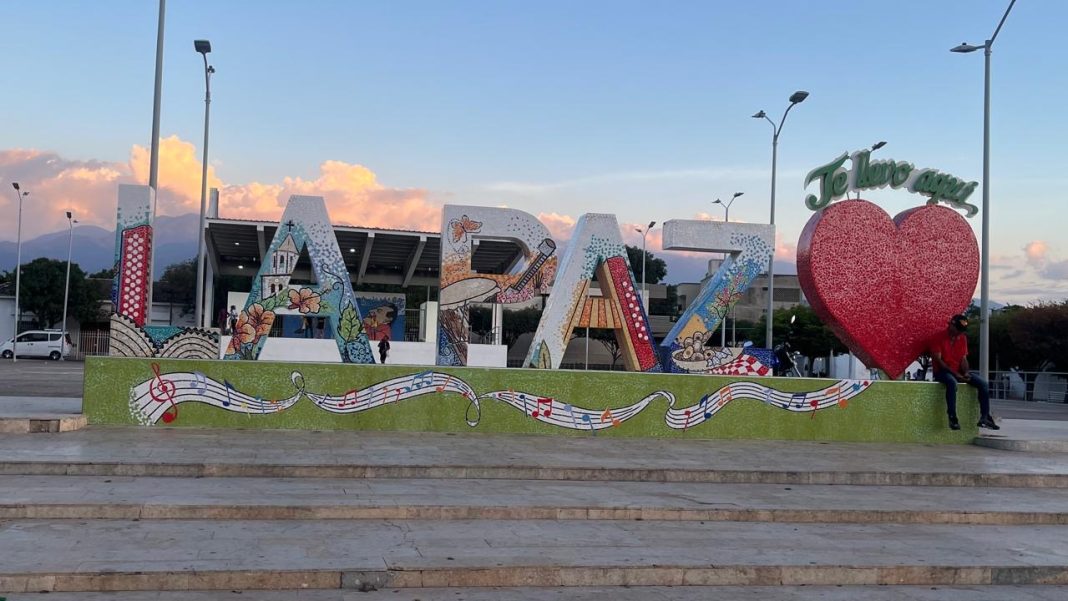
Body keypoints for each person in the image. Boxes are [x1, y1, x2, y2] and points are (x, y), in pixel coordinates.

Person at [929, 313, 999, 431]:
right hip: (943, 372)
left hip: (959, 371)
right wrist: (956, 375)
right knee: (951, 383)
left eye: (961, 331)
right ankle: (952, 417)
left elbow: (963, 359)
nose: (959, 333)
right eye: (958, 329)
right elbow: (939, 361)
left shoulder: (962, 338)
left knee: (983, 384)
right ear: (951, 325)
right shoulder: (937, 338)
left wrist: (966, 372)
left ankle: (985, 416)